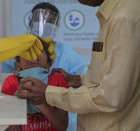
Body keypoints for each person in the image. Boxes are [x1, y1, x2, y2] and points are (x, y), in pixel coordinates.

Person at [16, 0, 140, 131]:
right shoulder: (116, 16)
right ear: (17, 66)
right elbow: (109, 78)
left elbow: (112, 97)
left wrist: (47, 94)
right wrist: (78, 80)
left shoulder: (124, 19)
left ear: (49, 64)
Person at [2, 2, 87, 131]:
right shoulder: (17, 51)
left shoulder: (67, 54)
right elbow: (3, 86)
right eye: (40, 18)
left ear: (49, 65)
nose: (34, 57)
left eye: (50, 21)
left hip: (57, 122)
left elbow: (84, 83)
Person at [2, 38, 68, 131]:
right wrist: (16, 103)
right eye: (28, 50)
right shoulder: (11, 83)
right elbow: (6, 127)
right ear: (18, 66)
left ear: (48, 65)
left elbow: (62, 126)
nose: (33, 54)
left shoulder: (57, 81)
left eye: (40, 50)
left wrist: (39, 102)